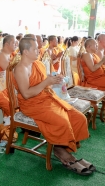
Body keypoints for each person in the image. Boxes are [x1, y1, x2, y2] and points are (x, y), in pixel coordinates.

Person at [13, 37, 93, 175]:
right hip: (32, 104)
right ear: (25, 52)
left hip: (47, 99)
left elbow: (42, 82)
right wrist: (46, 82)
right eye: (35, 49)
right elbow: (26, 94)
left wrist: (54, 78)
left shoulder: (38, 64)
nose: (38, 50)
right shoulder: (20, 68)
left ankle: (61, 147)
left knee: (78, 118)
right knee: (62, 121)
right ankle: (62, 152)